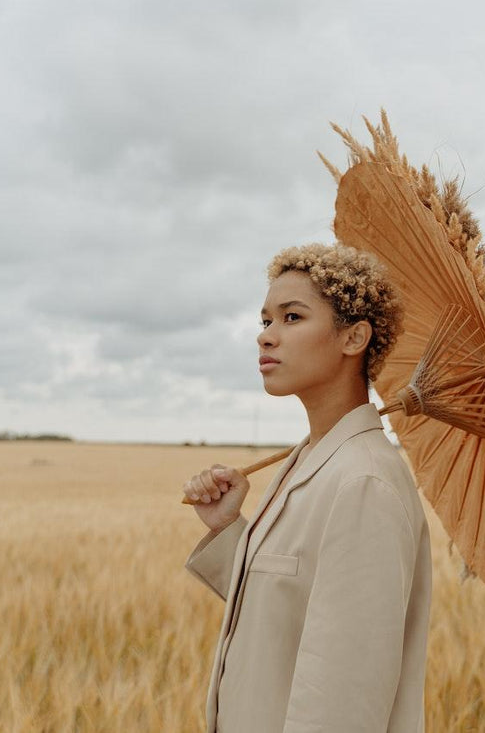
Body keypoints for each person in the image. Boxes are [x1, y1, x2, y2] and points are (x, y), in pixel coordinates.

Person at [181, 243, 432, 733]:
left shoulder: (363, 483)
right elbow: (289, 610)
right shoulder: (310, 461)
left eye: (291, 318)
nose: (266, 337)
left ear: (354, 337)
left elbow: (343, 698)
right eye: (265, 320)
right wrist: (230, 528)